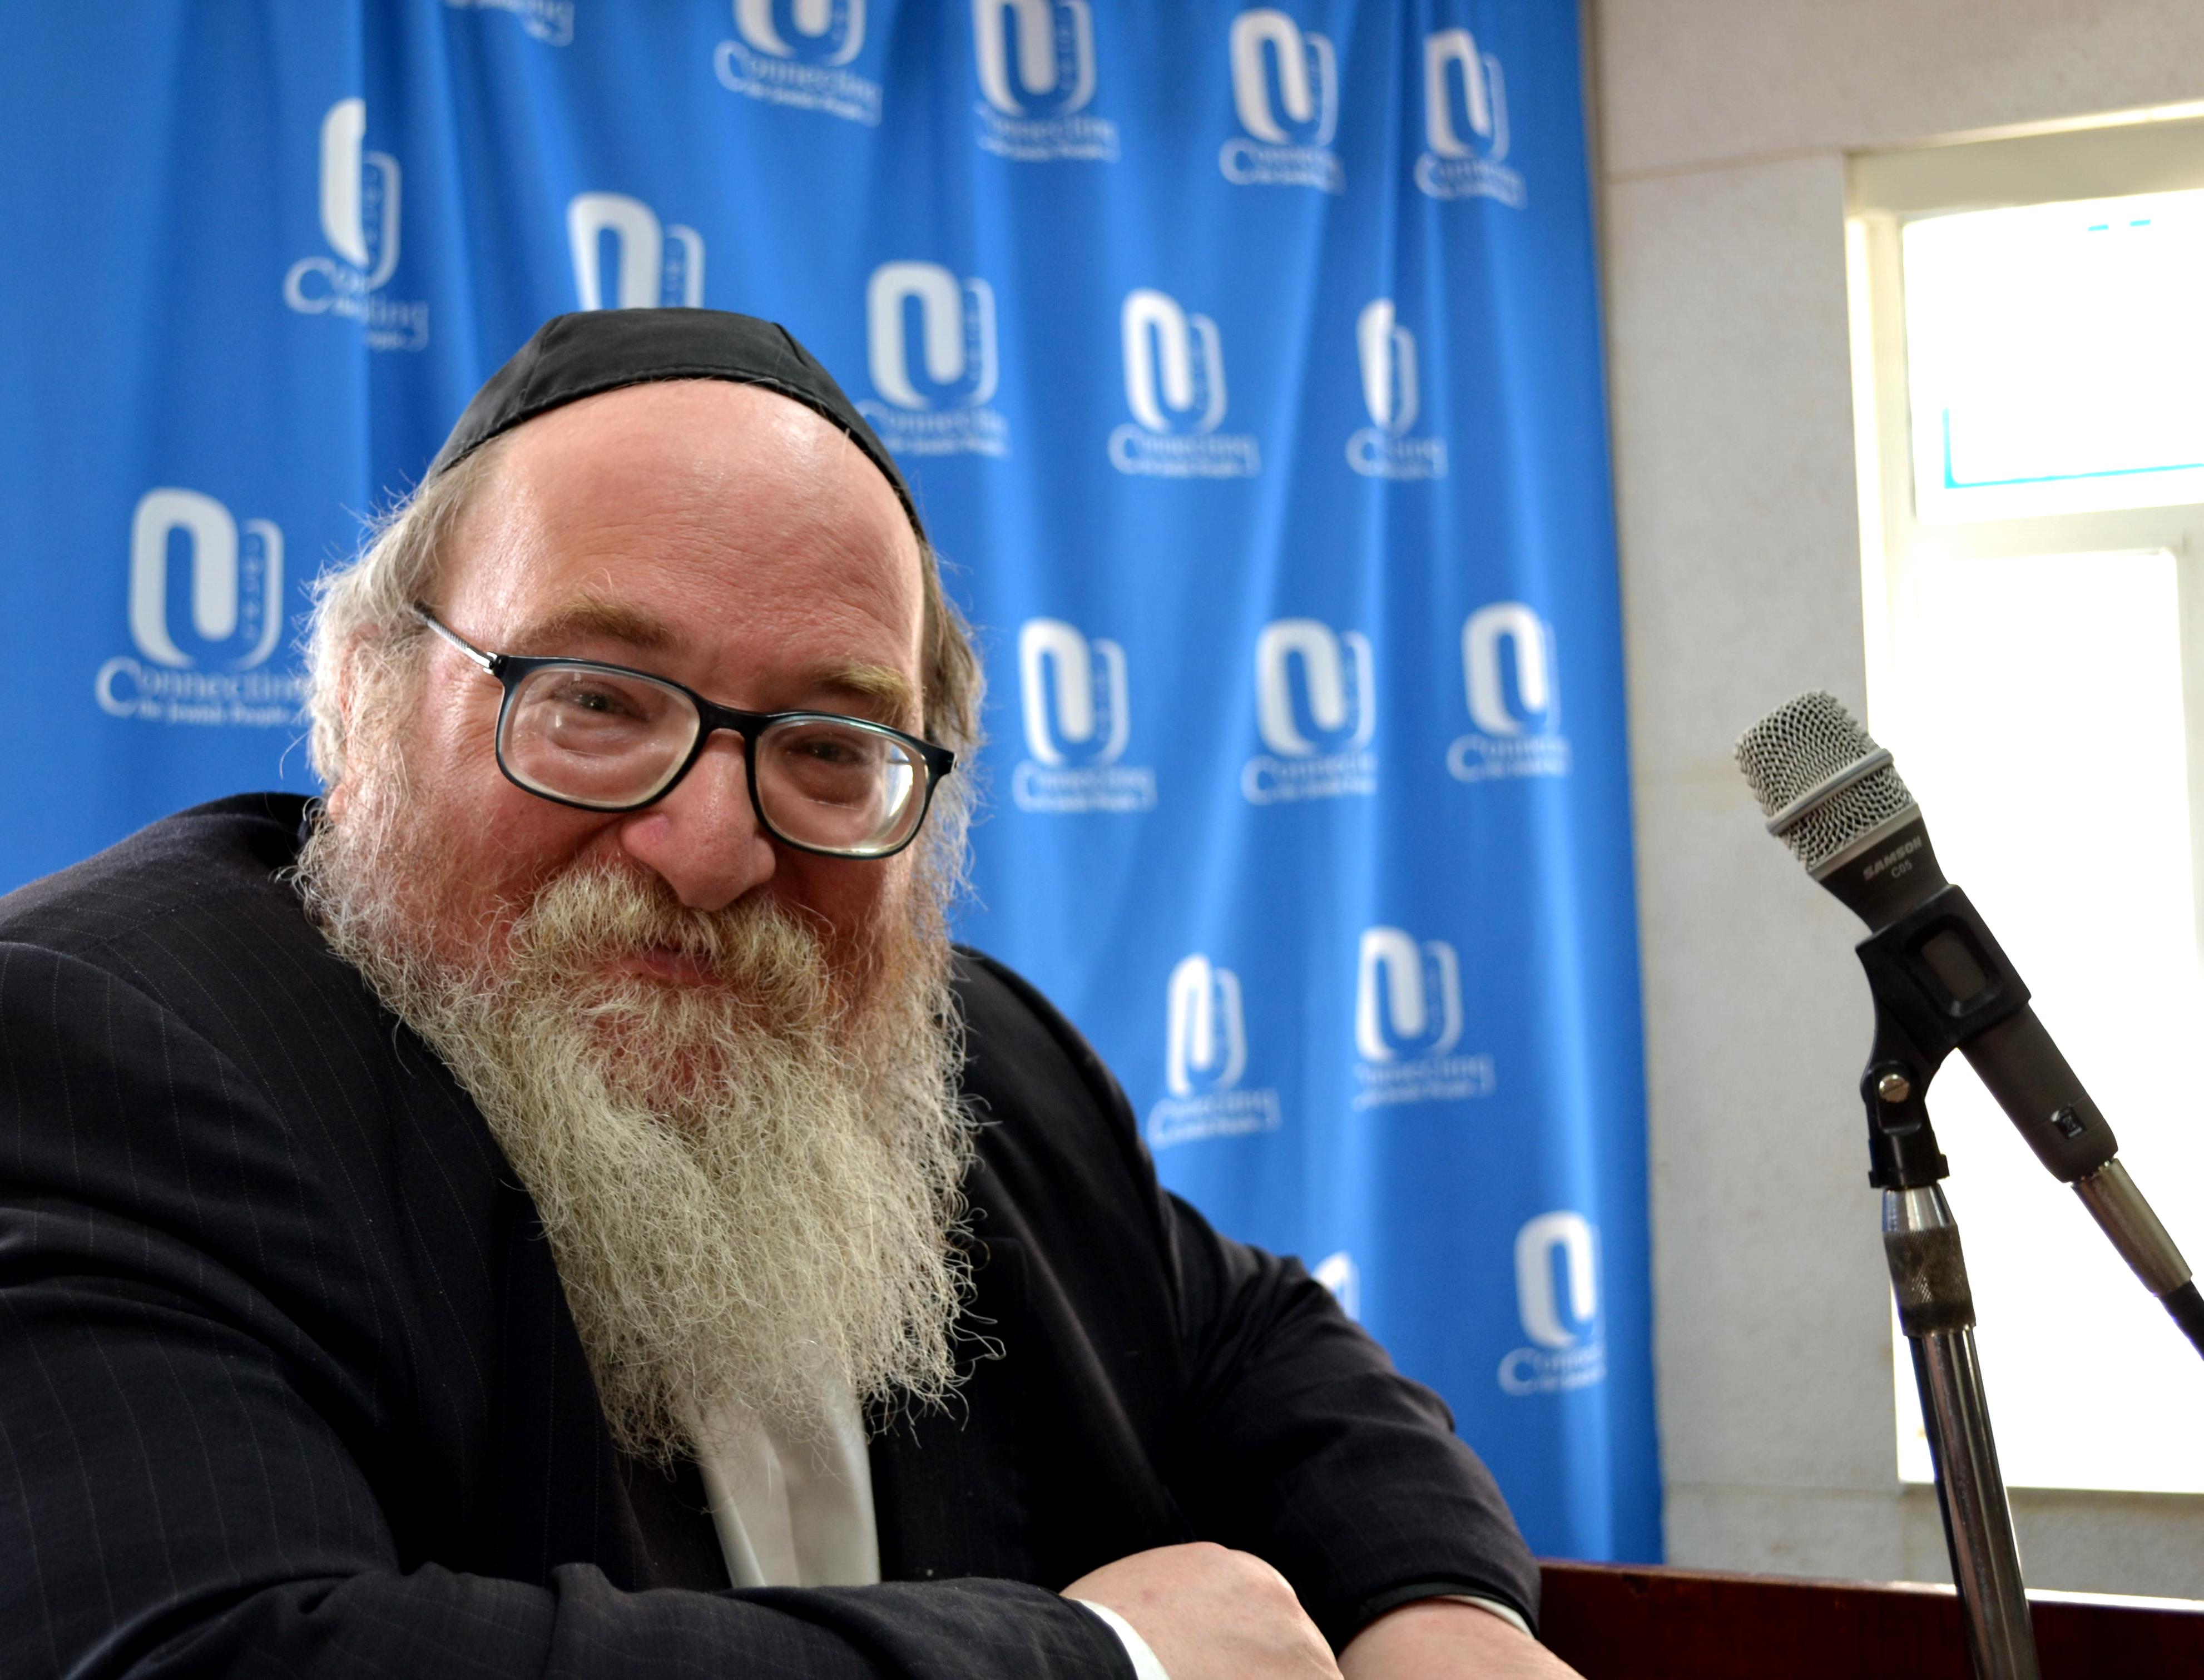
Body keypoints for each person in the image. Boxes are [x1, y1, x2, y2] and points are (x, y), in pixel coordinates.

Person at [0, 310, 1579, 1679]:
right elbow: (214, 1650)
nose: (708, 851)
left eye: (828, 747)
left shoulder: (970, 1057)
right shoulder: (91, 1046)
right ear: (365, 703)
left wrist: (1440, 1610)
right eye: (596, 702)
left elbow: (1249, 1343)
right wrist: (1103, 1662)